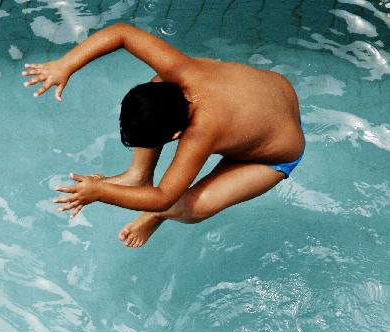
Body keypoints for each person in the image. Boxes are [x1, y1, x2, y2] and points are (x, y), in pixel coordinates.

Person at [22, 23, 305, 248]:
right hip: (277, 93)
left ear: (178, 135)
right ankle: (138, 176)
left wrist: (99, 192)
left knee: (194, 207)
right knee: (158, 86)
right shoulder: (180, 70)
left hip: (273, 156)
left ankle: (153, 215)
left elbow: (164, 197)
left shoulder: (202, 133)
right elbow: (122, 33)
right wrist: (66, 64)